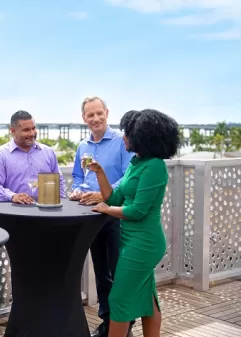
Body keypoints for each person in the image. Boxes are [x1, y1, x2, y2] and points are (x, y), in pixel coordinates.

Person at [87, 109, 180, 337]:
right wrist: (99, 172)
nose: (124, 137)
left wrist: (107, 210)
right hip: (131, 241)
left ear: (143, 136)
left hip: (144, 243)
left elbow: (137, 211)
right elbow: (115, 197)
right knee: (147, 297)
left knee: (118, 299)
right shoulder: (137, 162)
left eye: (127, 133)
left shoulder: (155, 167)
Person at [69, 97, 134, 337]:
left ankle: (125, 326)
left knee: (119, 274)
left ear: (107, 113)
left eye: (99, 113)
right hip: (91, 216)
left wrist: (102, 193)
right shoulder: (82, 146)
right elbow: (78, 176)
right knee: (101, 273)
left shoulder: (121, 143)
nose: (95, 118)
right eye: (90, 115)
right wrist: (78, 190)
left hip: (115, 214)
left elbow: (128, 178)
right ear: (83, 118)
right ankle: (108, 323)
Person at [0, 110, 66, 203]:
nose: (32, 133)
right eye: (26, 130)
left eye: (33, 128)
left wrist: (62, 205)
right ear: (13, 131)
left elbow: (59, 182)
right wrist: (13, 196)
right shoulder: (0, 155)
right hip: (14, 213)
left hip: (46, 212)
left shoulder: (48, 152)